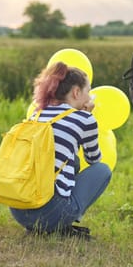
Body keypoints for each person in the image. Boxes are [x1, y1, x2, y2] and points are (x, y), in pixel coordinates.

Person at [10, 62, 112, 238]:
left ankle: (47, 222)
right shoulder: (84, 118)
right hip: (50, 215)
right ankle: (60, 222)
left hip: (19, 209)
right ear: (76, 92)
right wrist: (88, 116)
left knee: (72, 161)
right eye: (88, 90)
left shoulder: (38, 113)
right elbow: (94, 159)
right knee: (103, 170)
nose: (90, 96)